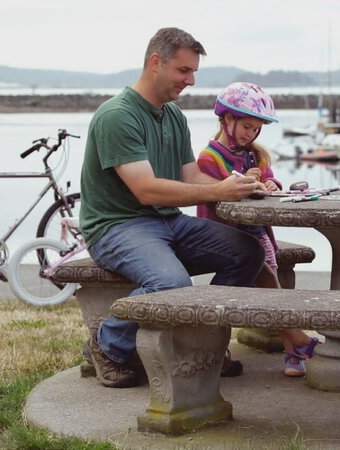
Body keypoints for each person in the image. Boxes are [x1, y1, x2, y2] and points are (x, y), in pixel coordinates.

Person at [80, 27, 266, 388]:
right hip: (116, 227)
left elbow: (191, 175)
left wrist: (238, 187)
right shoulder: (117, 116)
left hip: (168, 221)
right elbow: (146, 190)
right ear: (156, 62)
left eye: (193, 71)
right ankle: (107, 343)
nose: (190, 80)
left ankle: (202, 345)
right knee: (170, 283)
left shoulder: (174, 116)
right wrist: (219, 192)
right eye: (184, 70)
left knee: (248, 252)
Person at [196, 82, 319, 377]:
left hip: (258, 233)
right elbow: (215, 193)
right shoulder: (209, 158)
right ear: (227, 120)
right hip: (226, 235)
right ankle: (299, 343)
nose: (250, 134)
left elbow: (270, 178)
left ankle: (294, 352)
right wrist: (243, 183)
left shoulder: (256, 155)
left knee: (272, 285)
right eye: (246, 127)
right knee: (270, 287)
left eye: (256, 129)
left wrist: (269, 184)